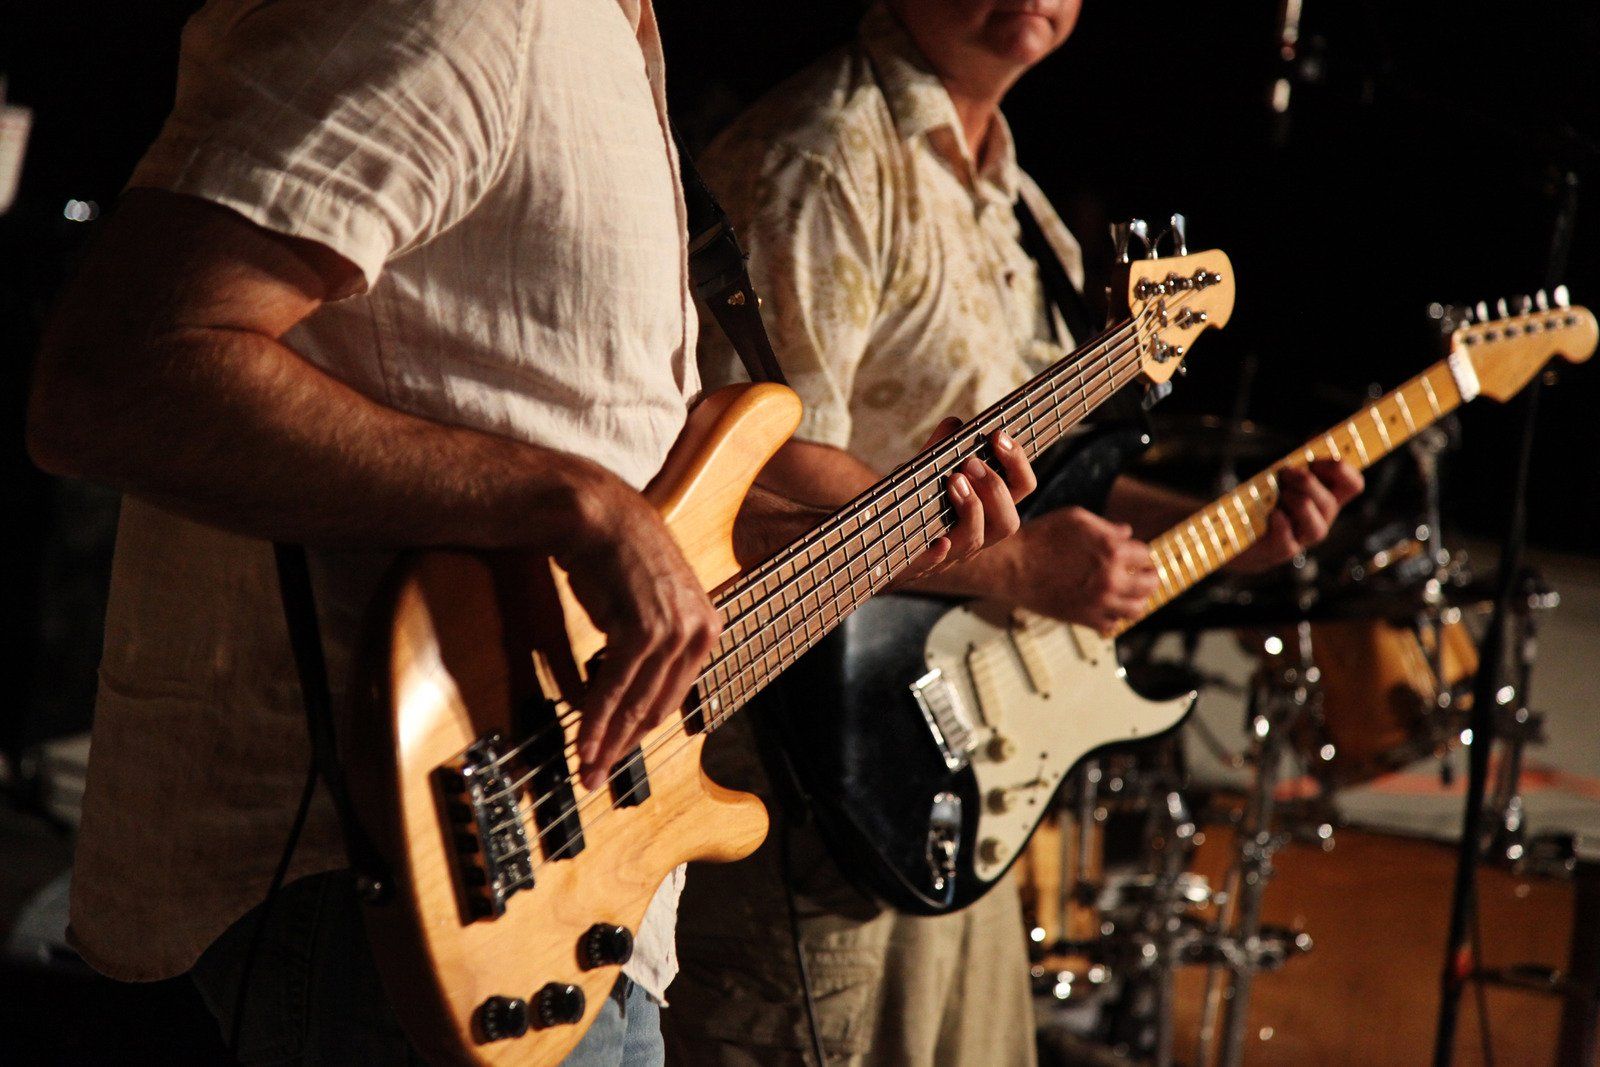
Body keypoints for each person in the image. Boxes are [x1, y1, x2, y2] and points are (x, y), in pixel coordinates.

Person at [23, 1, 1036, 1063]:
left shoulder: (604, 35)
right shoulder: (469, 13)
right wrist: (572, 503)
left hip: (559, 893)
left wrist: (863, 534)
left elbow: (597, 460)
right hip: (385, 885)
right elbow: (112, 377)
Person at [665, 2, 1364, 1064]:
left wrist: (1232, 533)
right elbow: (759, 463)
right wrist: (1019, 566)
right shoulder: (820, 152)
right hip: (813, 774)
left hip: (957, 769)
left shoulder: (1011, 195)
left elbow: (1043, 493)